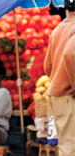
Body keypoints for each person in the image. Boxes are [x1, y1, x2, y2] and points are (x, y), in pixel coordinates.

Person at [43, 0, 75, 154]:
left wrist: (60, 79)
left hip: (58, 96)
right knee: (70, 147)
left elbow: (47, 67)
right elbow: (70, 54)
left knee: (66, 144)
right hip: (70, 96)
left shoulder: (58, 29)